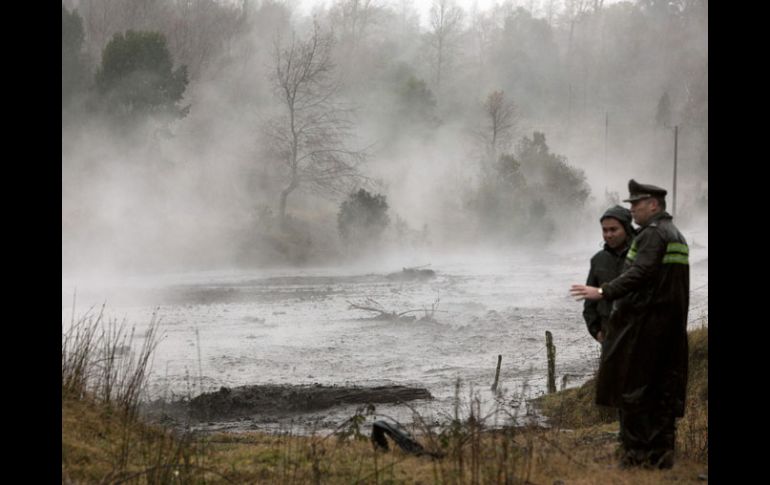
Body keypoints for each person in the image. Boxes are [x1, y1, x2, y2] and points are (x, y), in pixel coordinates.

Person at [570, 179, 689, 470]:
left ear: (653, 205)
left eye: (636, 204)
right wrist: (597, 325)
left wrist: (604, 291)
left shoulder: (651, 235)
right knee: (662, 393)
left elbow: (641, 274)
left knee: (635, 393)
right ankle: (661, 458)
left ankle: (636, 459)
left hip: (644, 330)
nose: (633, 209)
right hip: (669, 330)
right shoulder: (676, 235)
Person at [583, 205, 636, 345]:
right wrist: (597, 332)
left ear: (626, 229)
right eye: (605, 230)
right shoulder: (598, 260)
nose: (608, 235)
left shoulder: (641, 256)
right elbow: (589, 304)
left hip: (638, 335)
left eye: (613, 229)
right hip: (608, 336)